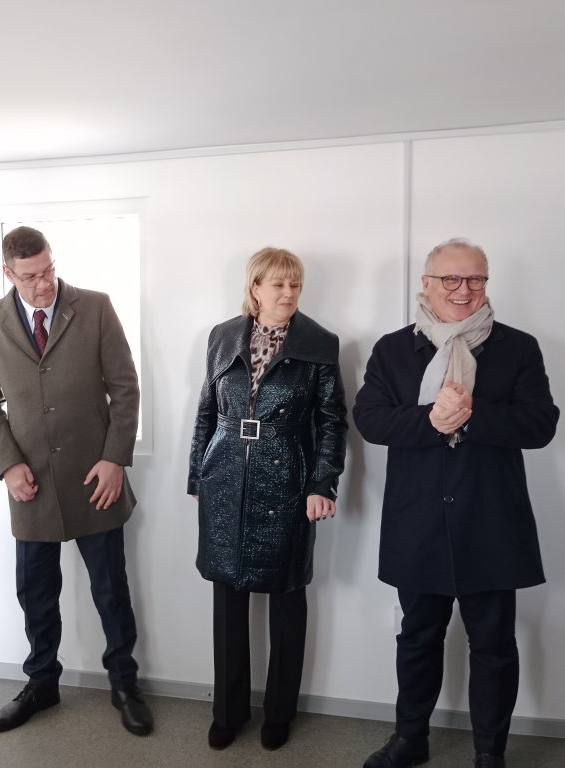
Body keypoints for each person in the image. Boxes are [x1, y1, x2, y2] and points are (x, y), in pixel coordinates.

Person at [352, 238, 559, 768]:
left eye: (475, 279)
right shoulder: (392, 350)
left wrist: (472, 413)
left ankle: (490, 752)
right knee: (417, 637)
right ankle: (410, 739)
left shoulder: (518, 347)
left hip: (491, 520)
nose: (463, 290)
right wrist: (429, 418)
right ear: (426, 284)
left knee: (494, 645)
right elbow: (370, 419)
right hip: (418, 520)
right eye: (451, 279)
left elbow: (541, 424)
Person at [0, 225, 153, 737]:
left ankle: (124, 685)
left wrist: (115, 458)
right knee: (35, 593)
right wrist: (8, 464)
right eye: (31, 276)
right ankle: (41, 684)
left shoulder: (95, 307)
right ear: (8, 273)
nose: (44, 283)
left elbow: (125, 388)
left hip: (96, 479)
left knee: (110, 590)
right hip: (29, 485)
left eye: (48, 270)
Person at [187, 247, 348, 752]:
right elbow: (207, 410)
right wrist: (198, 477)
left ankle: (279, 713)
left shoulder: (319, 343)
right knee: (227, 604)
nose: (288, 293)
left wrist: (323, 484)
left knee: (287, 601)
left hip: (288, 483)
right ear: (255, 287)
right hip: (225, 477)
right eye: (278, 284)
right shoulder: (221, 337)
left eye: (295, 285)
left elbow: (332, 422)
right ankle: (228, 712)